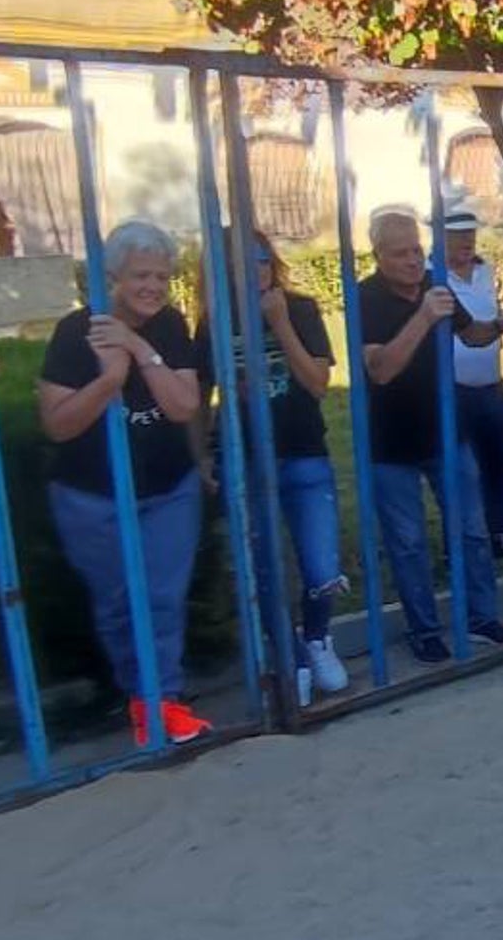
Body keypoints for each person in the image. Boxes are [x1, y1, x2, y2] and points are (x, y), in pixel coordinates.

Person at [38, 219, 211, 745]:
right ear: (112, 274)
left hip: (167, 489)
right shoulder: (76, 330)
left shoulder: (169, 325)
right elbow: (59, 424)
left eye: (161, 275)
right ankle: (141, 696)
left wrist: (139, 350)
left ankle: (163, 701)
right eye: (141, 275)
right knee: (117, 602)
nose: (153, 287)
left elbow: (183, 407)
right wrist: (110, 379)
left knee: (162, 597)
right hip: (92, 494)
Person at [190, 228, 349, 703]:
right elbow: (198, 397)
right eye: (243, 262)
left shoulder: (298, 308)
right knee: (263, 568)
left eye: (262, 258)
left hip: (303, 451)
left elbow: (318, 382)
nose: (257, 268)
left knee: (322, 564)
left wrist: (279, 326)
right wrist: (200, 455)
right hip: (246, 460)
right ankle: (291, 655)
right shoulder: (212, 323)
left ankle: (318, 637)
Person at [358, 205, 503, 665]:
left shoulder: (436, 286)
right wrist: (424, 319)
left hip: (445, 434)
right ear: (378, 256)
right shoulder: (365, 298)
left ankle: (482, 617)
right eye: (400, 253)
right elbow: (381, 368)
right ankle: (424, 630)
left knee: (471, 529)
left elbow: (472, 336)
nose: (413, 261)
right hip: (390, 442)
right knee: (408, 543)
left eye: (416, 250)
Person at [441, 206, 503, 561]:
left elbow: (486, 318)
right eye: (458, 238)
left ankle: (501, 532)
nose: (466, 244)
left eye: (470, 237)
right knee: (461, 470)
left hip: (490, 382)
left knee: (502, 462)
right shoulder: (433, 276)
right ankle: (460, 541)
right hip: (452, 387)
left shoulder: (485, 270)